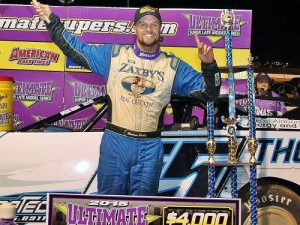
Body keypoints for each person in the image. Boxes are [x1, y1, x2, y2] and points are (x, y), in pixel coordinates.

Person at [32, 3, 221, 196]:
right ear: (134, 28)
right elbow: (75, 49)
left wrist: (209, 66)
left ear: (160, 29)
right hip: (116, 142)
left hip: (150, 146)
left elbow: (209, 93)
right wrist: (51, 20)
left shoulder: (172, 66)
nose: (148, 29)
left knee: (143, 210)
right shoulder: (114, 56)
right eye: (143, 24)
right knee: (108, 206)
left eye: (154, 24)